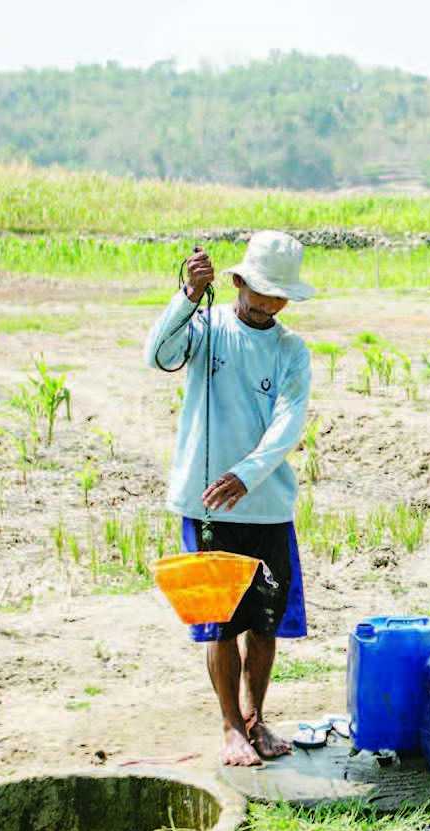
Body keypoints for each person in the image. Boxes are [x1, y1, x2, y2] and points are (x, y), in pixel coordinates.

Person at [143, 231, 315, 767]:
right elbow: (159, 354)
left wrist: (248, 474)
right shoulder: (208, 330)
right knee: (220, 621)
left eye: (278, 296)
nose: (266, 305)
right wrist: (188, 297)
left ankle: (256, 718)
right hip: (208, 502)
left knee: (264, 623)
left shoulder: (291, 351)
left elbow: (289, 423)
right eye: (259, 291)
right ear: (237, 282)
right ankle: (230, 728)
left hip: (266, 504)